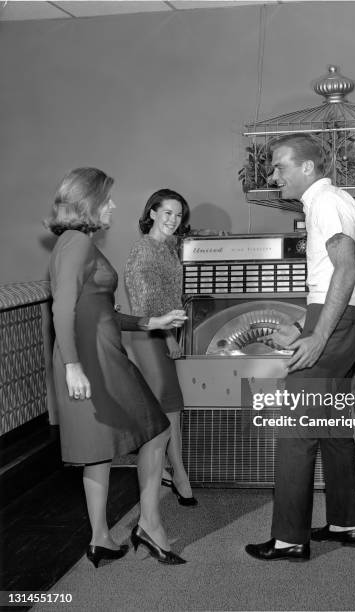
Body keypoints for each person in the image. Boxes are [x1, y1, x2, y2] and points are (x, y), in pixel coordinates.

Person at [45, 167, 188, 568]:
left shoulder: (74, 242)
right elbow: (62, 308)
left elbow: (101, 310)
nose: (112, 205)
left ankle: (100, 538)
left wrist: (149, 323)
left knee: (97, 451)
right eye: (106, 199)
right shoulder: (76, 243)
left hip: (93, 353)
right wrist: (73, 366)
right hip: (93, 359)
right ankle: (150, 525)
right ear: (87, 202)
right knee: (157, 429)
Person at [245, 134, 355, 561]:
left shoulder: (324, 203)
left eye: (279, 166)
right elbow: (330, 281)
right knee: (334, 429)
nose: (272, 175)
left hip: (333, 326)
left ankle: (289, 538)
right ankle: (343, 522)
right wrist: (302, 324)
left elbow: (346, 269)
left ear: (307, 168)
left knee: (296, 432)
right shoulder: (334, 200)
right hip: (343, 321)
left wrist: (317, 335)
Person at [124, 189, 196, 506]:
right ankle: (175, 475)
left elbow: (170, 296)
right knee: (165, 407)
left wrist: (174, 332)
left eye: (179, 215)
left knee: (173, 407)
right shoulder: (144, 250)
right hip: (150, 335)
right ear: (152, 213)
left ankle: (175, 471)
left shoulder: (167, 248)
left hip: (166, 332)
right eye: (167, 212)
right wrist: (168, 336)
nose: (174, 220)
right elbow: (143, 304)